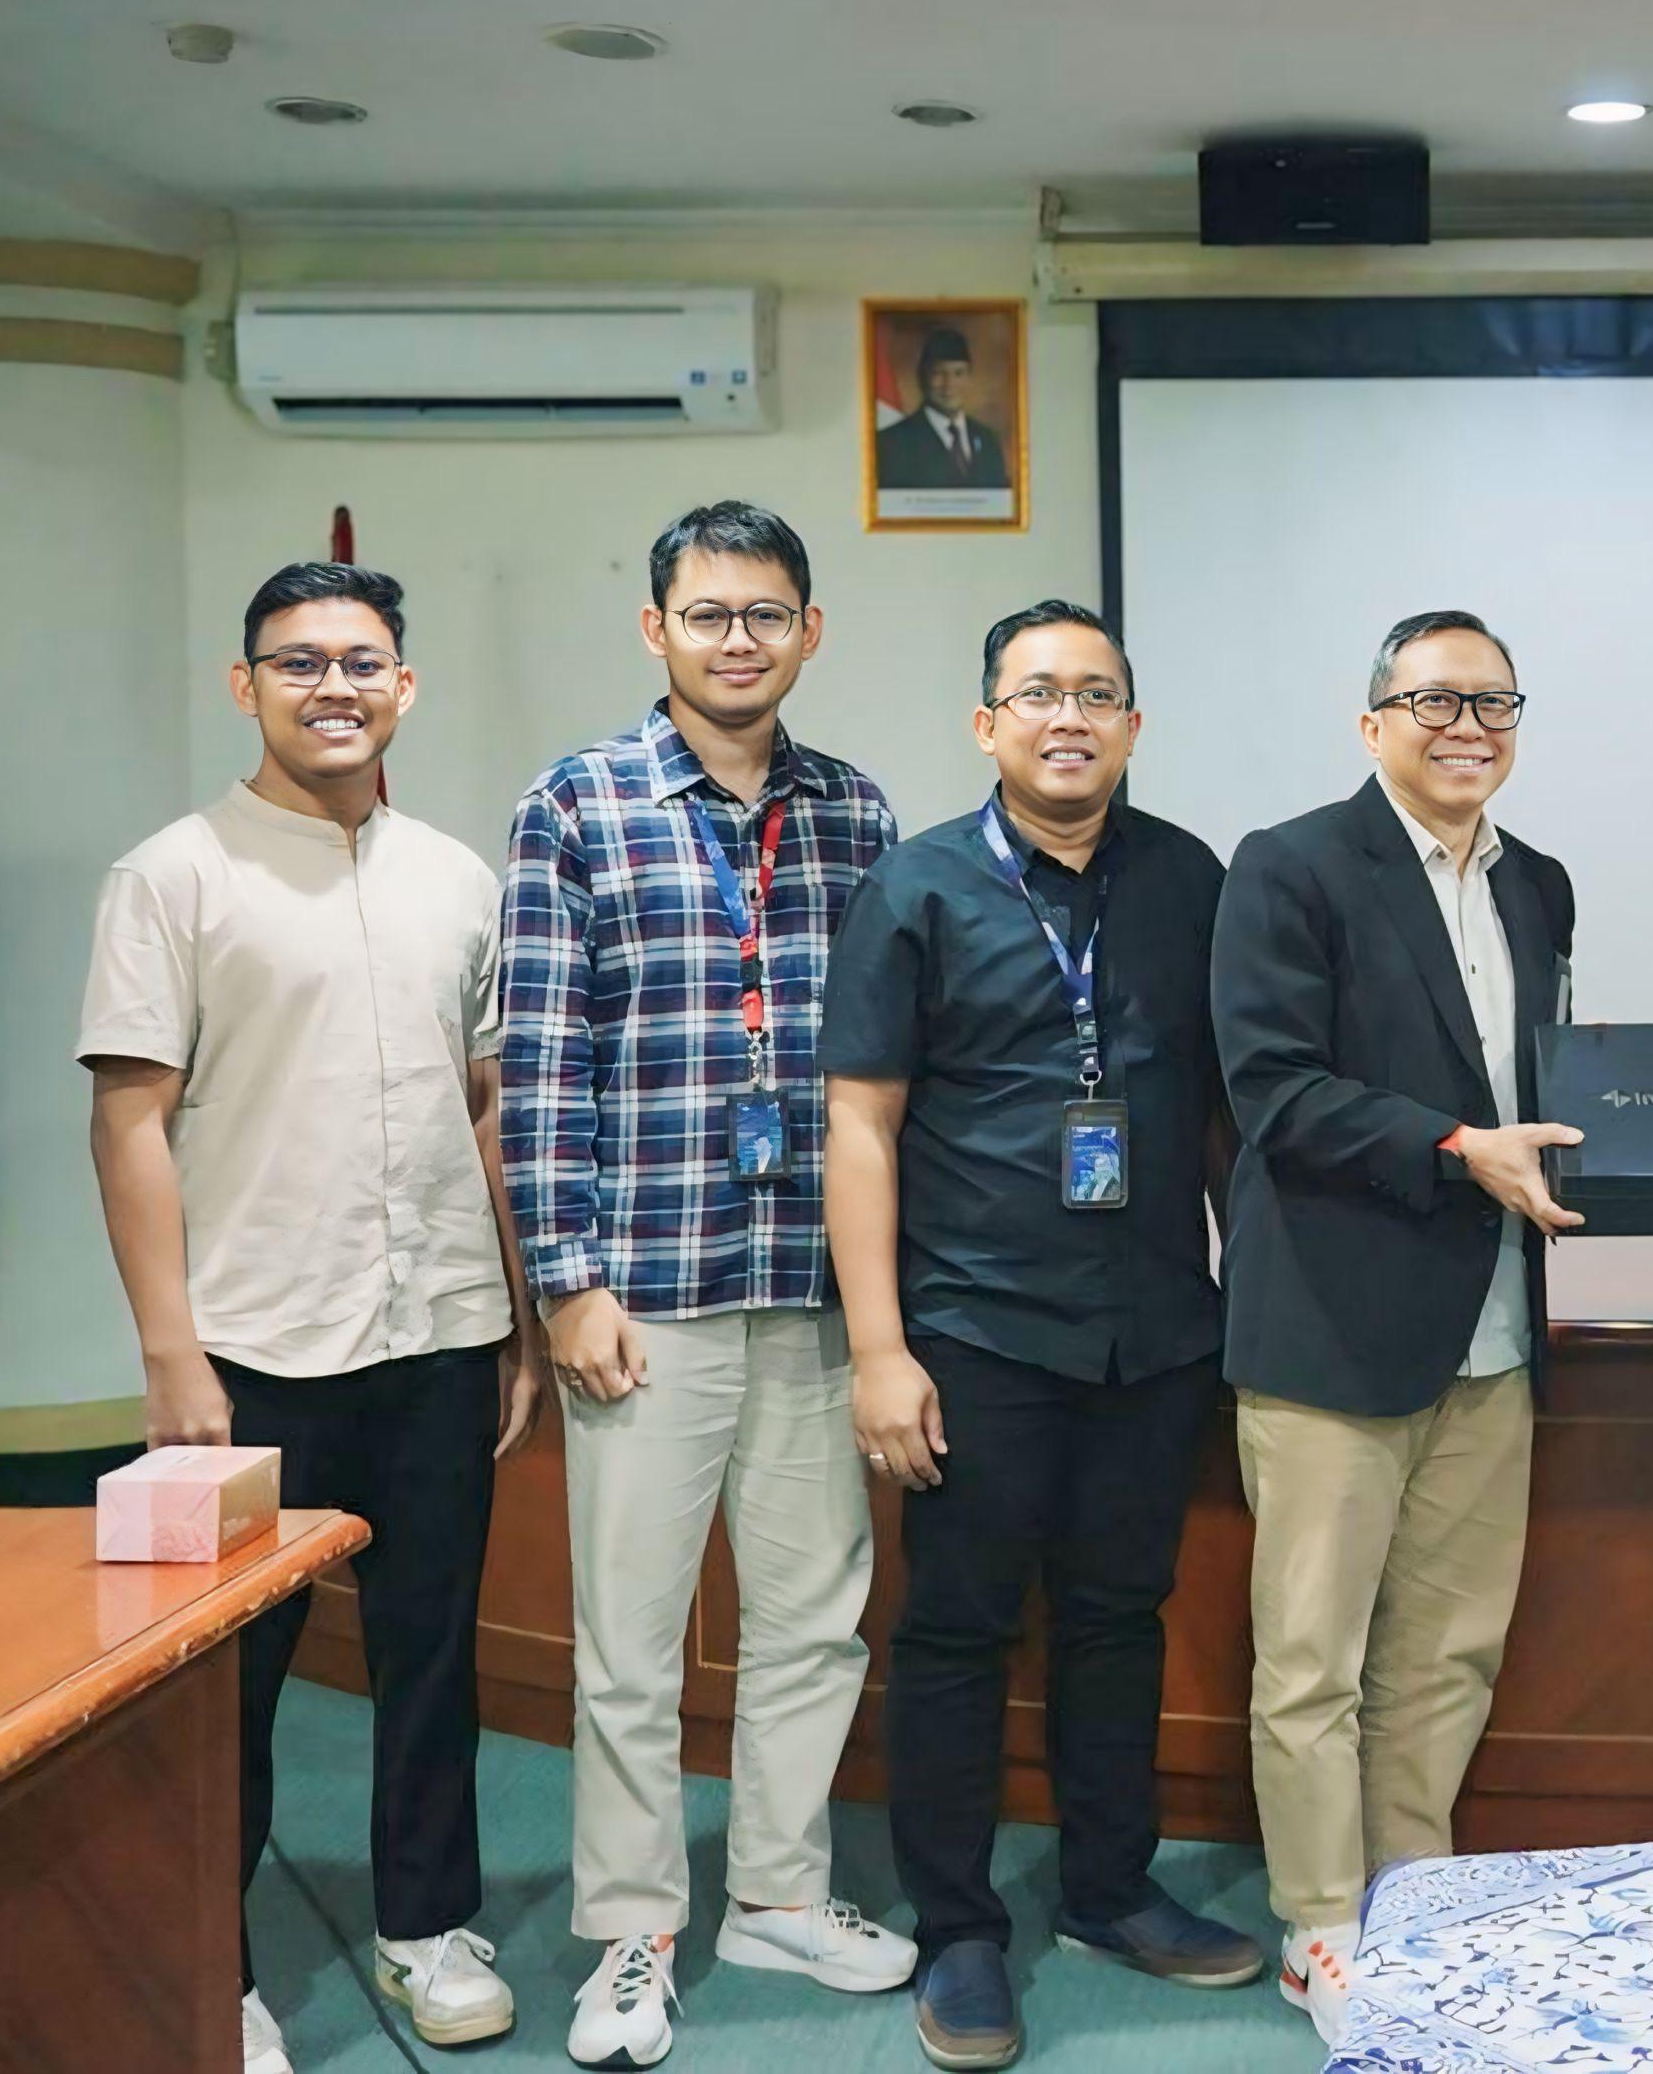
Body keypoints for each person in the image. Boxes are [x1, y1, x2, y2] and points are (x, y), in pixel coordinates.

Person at [81, 561, 541, 2074]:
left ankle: (427, 1926)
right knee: (229, 1688)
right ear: (247, 686)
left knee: (433, 1657)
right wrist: (172, 1352)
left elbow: (486, 1106)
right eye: (299, 661)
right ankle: (209, 1973)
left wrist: (516, 1319)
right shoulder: (174, 875)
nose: (333, 685)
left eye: (361, 661)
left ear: (404, 685)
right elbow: (131, 1121)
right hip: (252, 1352)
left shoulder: (458, 879)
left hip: (440, 1337)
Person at [822, 600, 1264, 2070]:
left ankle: (1108, 1890)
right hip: (976, 1332)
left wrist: (1252, 1302)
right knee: (956, 1630)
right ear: (986, 723)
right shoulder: (916, 888)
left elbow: (1221, 1112)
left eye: (1095, 693)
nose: (1067, 717)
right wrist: (879, 1349)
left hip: (1154, 1333)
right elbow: (861, 1124)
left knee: (1117, 1618)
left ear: (1132, 723)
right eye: (1037, 693)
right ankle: (958, 1924)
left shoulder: (1191, 878)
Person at [501, 501, 915, 2067]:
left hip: (812, 1286)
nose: (738, 639)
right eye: (708, 612)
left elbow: (889, 1071)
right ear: (656, 628)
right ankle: (631, 1929)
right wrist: (566, 1280)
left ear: (810, 630)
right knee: (630, 1638)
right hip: (647, 1294)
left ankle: (779, 1894)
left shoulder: (858, 813)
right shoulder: (577, 804)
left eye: (766, 613)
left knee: (815, 1620)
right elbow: (542, 1062)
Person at [1208, 610, 1578, 2043]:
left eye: (1493, 702)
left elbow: (1549, 1081)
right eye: (1434, 701)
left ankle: (1409, 1899)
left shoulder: (1538, 882)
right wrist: (1454, 1146)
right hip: (1332, 1331)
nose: (1466, 726)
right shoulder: (1291, 866)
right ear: (1374, 724)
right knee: (1314, 1660)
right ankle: (1319, 1924)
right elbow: (1274, 1087)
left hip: (1492, 1329)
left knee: (1448, 1652)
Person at [873, 327, 1013, 491]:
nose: (949, 385)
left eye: (958, 373)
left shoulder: (988, 441)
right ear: (922, 378)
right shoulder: (892, 443)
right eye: (938, 374)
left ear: (969, 377)